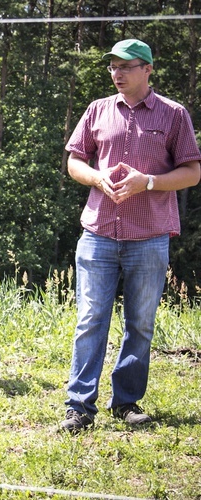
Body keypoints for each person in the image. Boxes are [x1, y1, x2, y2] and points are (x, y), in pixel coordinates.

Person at [62, 39, 201, 433]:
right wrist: (96, 176)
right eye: (112, 66)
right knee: (91, 320)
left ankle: (125, 402)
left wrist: (149, 182)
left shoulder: (174, 115)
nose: (117, 73)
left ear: (148, 69)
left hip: (150, 236)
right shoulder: (97, 110)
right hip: (98, 234)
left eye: (126, 66)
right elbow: (75, 161)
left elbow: (193, 172)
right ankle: (79, 407)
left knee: (140, 323)